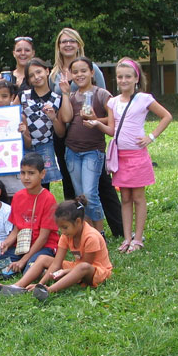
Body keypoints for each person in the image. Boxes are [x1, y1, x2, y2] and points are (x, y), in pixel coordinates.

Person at [49, 27, 123, 237]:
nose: (68, 45)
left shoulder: (93, 70)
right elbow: (56, 104)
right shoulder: (54, 73)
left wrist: (97, 122)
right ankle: (80, 229)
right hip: (66, 133)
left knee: (99, 186)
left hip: (92, 136)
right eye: (64, 41)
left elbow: (105, 104)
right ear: (59, 46)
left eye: (72, 41)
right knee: (74, 186)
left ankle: (114, 229)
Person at [99, 58, 172, 253]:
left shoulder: (144, 99)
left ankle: (138, 238)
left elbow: (166, 116)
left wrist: (151, 137)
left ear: (136, 79)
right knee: (125, 197)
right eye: (120, 77)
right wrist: (97, 124)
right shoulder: (112, 102)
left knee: (138, 197)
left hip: (137, 156)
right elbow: (113, 130)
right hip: (120, 157)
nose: (124, 80)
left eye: (128, 77)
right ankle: (127, 237)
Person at [0, 196, 112, 301]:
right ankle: (18, 286)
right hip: (76, 267)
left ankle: (49, 290)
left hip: (96, 271)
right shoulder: (66, 235)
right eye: (60, 228)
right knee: (43, 258)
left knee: (82, 266)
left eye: (65, 227)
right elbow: (56, 263)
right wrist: (40, 284)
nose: (63, 231)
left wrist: (65, 271)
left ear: (78, 222)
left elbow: (86, 266)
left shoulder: (91, 237)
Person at [60, 57, 112, 241]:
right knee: (81, 197)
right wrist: (65, 94)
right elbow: (66, 119)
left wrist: (96, 120)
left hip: (93, 151)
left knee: (90, 194)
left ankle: (100, 233)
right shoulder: (72, 96)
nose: (80, 75)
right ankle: (88, 234)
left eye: (84, 71)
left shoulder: (102, 94)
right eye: (75, 72)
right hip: (72, 151)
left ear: (92, 72)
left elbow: (114, 121)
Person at [0, 153, 59, 277]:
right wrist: (6, 244)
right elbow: (17, 229)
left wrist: (23, 261)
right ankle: (22, 266)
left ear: (42, 174)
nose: (26, 177)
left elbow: (44, 237)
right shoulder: (18, 196)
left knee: (28, 269)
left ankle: (35, 267)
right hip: (22, 246)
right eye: (23, 173)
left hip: (43, 247)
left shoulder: (48, 199)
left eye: (31, 173)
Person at [16, 58, 68, 190]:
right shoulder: (23, 96)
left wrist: (53, 118)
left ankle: (42, 210)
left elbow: (61, 133)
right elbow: (10, 115)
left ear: (47, 71)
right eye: (31, 76)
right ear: (28, 80)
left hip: (45, 146)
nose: (36, 77)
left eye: (39, 72)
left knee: (43, 184)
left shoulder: (57, 98)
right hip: (24, 145)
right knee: (23, 182)